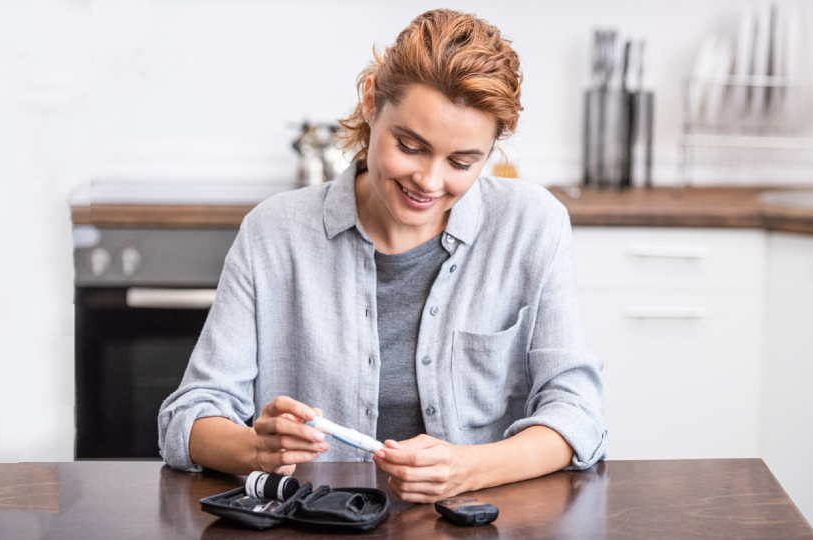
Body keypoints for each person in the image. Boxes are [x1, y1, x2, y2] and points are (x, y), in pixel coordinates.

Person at [158, 8, 607, 503]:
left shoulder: (532, 225)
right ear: (372, 101)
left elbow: (577, 412)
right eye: (411, 146)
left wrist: (469, 468)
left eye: (462, 162)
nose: (430, 182)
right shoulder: (274, 233)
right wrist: (255, 448)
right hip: (318, 526)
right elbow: (189, 416)